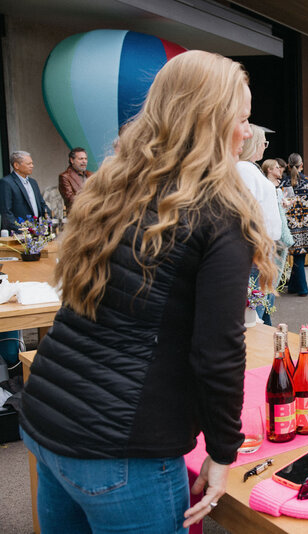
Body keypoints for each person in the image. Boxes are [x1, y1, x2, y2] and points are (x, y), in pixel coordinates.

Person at [19, 50, 277, 532]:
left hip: (49, 422)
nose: (247, 131)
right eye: (241, 119)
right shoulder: (219, 213)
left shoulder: (112, 186)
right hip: (123, 447)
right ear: (210, 119)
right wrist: (222, 452)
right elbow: (218, 351)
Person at [238, 125, 281, 324]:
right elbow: (246, 211)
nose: (265, 147)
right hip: (257, 247)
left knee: (262, 304)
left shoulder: (249, 168)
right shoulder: (245, 169)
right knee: (257, 307)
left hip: (261, 245)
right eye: (264, 142)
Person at [280, 153, 308, 297]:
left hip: (290, 225)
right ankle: (303, 288)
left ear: (287, 166)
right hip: (307, 225)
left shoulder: (282, 183)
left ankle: (293, 285)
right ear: (302, 166)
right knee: (300, 256)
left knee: (297, 255)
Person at [261, 159, 294, 285]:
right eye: (276, 167)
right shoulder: (265, 186)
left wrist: (284, 206)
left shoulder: (280, 185)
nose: (280, 170)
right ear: (269, 170)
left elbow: (279, 207)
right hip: (270, 231)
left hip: (279, 225)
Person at [1, 151, 52, 230]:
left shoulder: (33, 182)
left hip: (37, 230)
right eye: (28, 164)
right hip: (18, 232)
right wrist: (20, 229)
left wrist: (49, 219)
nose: (32, 166)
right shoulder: (7, 182)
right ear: (16, 165)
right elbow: (6, 212)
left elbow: (42, 205)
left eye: (32, 163)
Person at [58, 147, 92, 213]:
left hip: (94, 214)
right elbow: (71, 200)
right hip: (77, 215)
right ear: (72, 160)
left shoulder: (91, 175)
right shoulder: (65, 177)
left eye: (85, 158)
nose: (84, 161)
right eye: (81, 159)